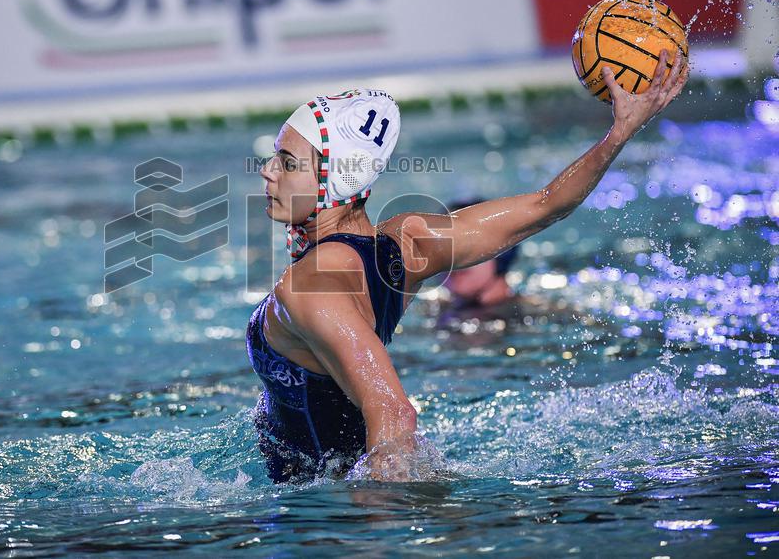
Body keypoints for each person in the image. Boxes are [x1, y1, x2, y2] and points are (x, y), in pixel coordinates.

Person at [246, 52, 688, 484]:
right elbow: (546, 204)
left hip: (333, 509)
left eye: (288, 162)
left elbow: (394, 414)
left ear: (336, 179)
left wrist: (379, 524)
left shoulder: (313, 286)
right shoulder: (405, 245)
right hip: (372, 480)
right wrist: (619, 133)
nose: (267, 171)